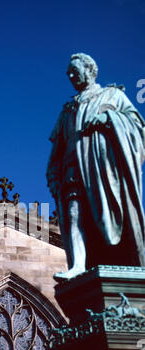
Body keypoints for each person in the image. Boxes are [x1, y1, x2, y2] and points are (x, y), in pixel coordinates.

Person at [46, 53, 145, 282]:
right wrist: (52, 173)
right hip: (73, 169)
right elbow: (57, 148)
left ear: (90, 70)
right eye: (68, 73)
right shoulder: (68, 110)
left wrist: (109, 119)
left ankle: (118, 258)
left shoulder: (113, 95)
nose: (71, 76)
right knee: (74, 214)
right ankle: (78, 265)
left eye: (74, 70)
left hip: (104, 172)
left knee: (105, 216)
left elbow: (138, 128)